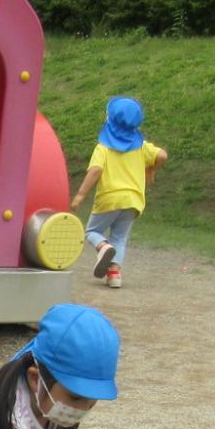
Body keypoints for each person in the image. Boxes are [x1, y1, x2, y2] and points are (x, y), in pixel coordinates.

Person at [70, 96, 166, 291]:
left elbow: (95, 170)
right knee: (119, 238)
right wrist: (151, 170)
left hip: (109, 199)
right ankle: (114, 274)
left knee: (92, 232)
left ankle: (103, 247)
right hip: (133, 200)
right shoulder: (142, 147)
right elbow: (162, 155)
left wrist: (80, 195)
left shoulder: (103, 147)